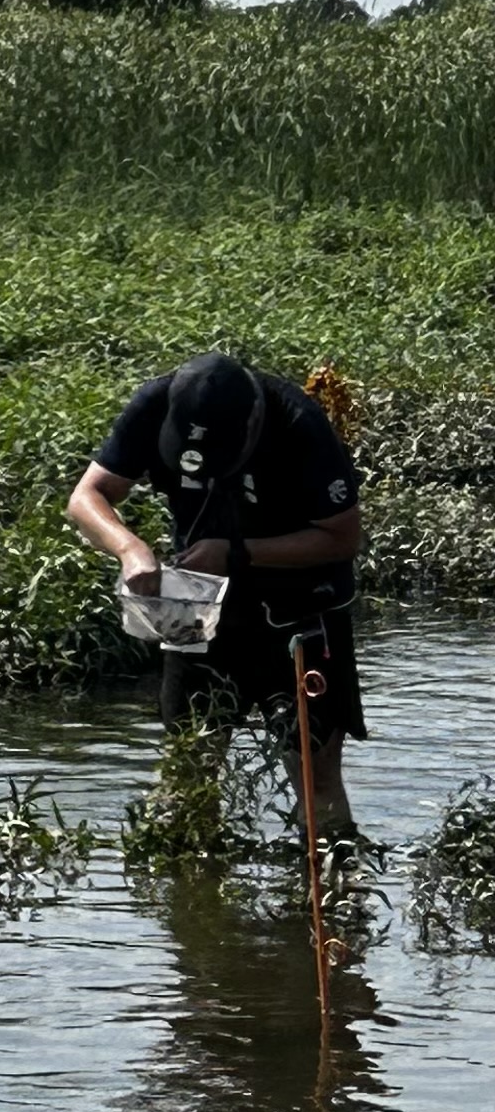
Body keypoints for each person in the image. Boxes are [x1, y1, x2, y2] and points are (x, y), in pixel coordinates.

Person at [65, 351, 365, 831]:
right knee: (188, 766)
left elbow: (342, 537)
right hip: (198, 603)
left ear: (250, 427)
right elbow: (86, 497)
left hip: (300, 615)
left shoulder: (297, 423)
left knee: (313, 772)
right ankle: (190, 892)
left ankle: (336, 886)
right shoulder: (154, 403)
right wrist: (130, 549)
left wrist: (236, 553)